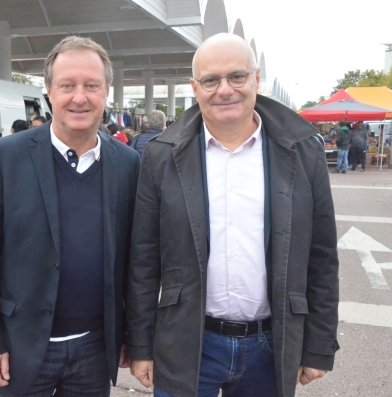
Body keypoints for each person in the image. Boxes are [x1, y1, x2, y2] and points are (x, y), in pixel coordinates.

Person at [126, 33, 339, 397]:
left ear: (256, 79)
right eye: (211, 80)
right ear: (195, 88)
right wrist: (141, 346)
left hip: (270, 346)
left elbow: (321, 255)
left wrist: (319, 344)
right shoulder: (161, 156)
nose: (224, 90)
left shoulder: (302, 152)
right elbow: (144, 260)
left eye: (236, 77)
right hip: (189, 344)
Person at [0, 35, 140, 396]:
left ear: (106, 91)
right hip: (20, 347)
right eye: (67, 85)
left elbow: (132, 262)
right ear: (48, 90)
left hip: (95, 350)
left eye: (92, 85)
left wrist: (129, 335)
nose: (80, 97)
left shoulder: (127, 163)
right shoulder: (4, 157)